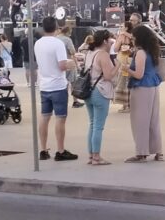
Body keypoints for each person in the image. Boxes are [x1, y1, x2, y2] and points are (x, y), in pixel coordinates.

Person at [34, 16, 78, 162]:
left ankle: (43, 149)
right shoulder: (57, 43)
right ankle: (60, 150)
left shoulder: (38, 43)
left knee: (44, 117)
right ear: (56, 27)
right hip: (58, 85)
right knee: (60, 118)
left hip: (44, 85)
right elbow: (61, 66)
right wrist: (71, 63)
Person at [125, 25, 164, 163]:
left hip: (141, 88)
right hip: (153, 86)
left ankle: (141, 153)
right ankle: (158, 151)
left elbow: (139, 74)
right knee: (154, 120)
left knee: (140, 121)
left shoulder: (140, 53)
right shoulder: (152, 51)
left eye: (134, 37)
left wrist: (126, 68)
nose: (132, 40)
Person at [83, 30, 119, 165]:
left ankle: (91, 156)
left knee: (92, 124)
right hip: (100, 92)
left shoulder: (89, 53)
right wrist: (118, 65)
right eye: (111, 41)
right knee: (98, 126)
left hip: (88, 92)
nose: (112, 44)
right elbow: (108, 76)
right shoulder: (103, 55)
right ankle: (97, 157)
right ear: (105, 41)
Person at [57, 26, 83, 109]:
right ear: (67, 31)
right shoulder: (67, 40)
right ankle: (75, 101)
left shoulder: (56, 38)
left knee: (62, 83)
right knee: (73, 82)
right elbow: (72, 51)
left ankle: (62, 101)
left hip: (58, 63)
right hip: (69, 62)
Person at [114, 21, 136, 113]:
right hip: (131, 59)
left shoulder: (122, 36)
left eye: (122, 26)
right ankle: (130, 104)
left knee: (122, 82)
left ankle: (125, 105)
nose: (121, 27)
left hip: (122, 60)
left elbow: (115, 48)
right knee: (129, 81)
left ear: (126, 28)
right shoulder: (134, 36)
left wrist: (120, 36)